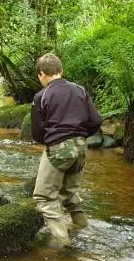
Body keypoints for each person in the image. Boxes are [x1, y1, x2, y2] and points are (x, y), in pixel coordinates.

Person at [31, 53, 102, 247]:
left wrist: (52, 140)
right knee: (70, 192)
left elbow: (37, 132)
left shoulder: (41, 96)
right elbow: (96, 120)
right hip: (81, 147)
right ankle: (81, 226)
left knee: (44, 197)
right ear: (61, 71)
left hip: (58, 148)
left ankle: (63, 243)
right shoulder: (79, 90)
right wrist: (80, 135)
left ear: (42, 74)